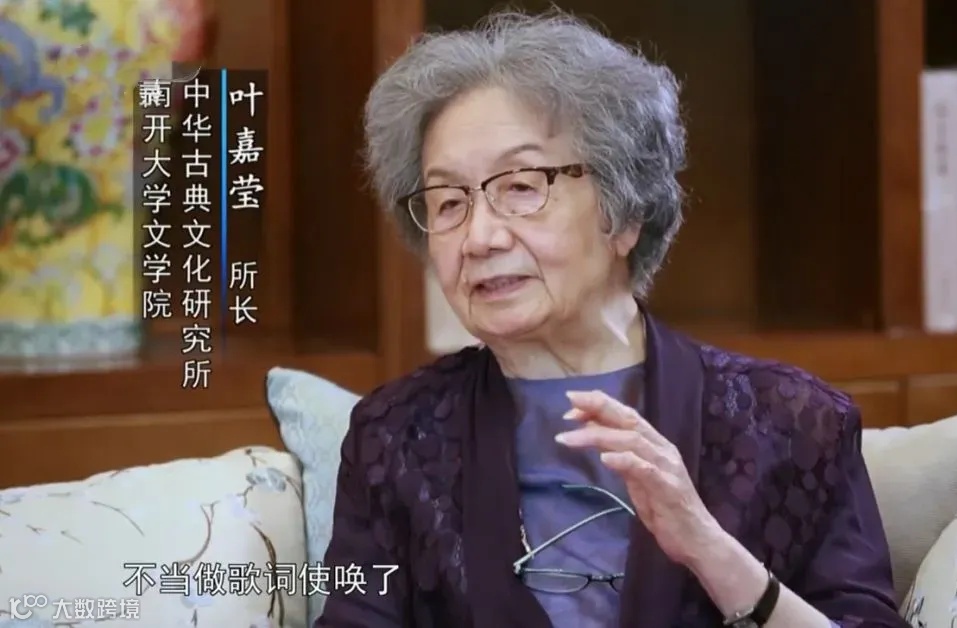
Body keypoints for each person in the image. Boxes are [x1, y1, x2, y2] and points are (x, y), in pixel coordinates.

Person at [317, 9, 909, 628]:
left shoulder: (793, 426)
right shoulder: (395, 438)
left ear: (625, 214)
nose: (480, 236)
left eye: (521, 187)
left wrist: (709, 549)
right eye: (448, 202)